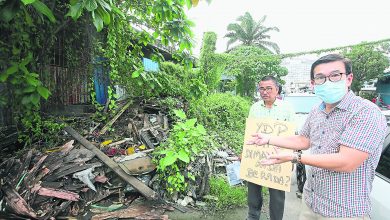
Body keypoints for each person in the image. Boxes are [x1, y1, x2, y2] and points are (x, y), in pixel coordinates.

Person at [247, 54, 387, 219]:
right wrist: (268, 139)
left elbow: (347, 162)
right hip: (311, 203)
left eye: (335, 75)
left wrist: (295, 157)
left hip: (343, 212)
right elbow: (303, 140)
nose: (327, 82)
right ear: (313, 84)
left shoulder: (366, 112)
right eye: (320, 77)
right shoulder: (316, 110)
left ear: (348, 79)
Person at [246, 75, 295, 220]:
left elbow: (293, 135)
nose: (264, 92)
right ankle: (253, 216)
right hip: (256, 156)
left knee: (277, 195)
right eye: (261, 88)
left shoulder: (287, 108)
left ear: (277, 90)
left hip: (278, 157)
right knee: (253, 191)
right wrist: (244, 153)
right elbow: (249, 133)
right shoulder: (254, 108)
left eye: (269, 88)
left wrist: (291, 157)